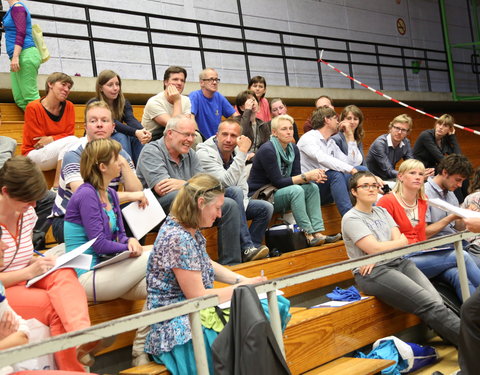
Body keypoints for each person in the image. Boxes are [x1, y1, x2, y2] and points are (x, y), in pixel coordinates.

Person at [144, 173, 267, 374]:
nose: (220, 214)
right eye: (217, 208)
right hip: (176, 326)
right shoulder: (178, 238)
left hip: (193, 314)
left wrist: (241, 279)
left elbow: (205, 263)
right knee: (257, 312)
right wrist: (244, 287)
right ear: (201, 203)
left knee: (264, 308)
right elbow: (198, 297)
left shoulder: (186, 228)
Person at [0, 156, 104, 371]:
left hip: (24, 276)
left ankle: (82, 333)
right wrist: (28, 271)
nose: (34, 205)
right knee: (52, 306)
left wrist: (40, 262)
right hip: (5, 289)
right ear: (5, 192)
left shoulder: (27, 212)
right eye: (28, 199)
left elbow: (21, 253)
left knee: (65, 271)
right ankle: (72, 368)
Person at [341, 170, 460, 347]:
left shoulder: (381, 211)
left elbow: (402, 241)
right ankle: (472, 344)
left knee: (437, 302)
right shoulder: (351, 218)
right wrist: (380, 250)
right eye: (365, 186)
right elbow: (375, 247)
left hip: (399, 262)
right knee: (429, 304)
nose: (371, 189)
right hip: (373, 272)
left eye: (374, 185)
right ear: (354, 191)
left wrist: (379, 251)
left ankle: (464, 346)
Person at [136, 115, 266, 265]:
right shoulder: (152, 150)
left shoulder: (190, 153)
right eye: (186, 134)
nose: (191, 140)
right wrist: (190, 185)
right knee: (179, 195)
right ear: (170, 133)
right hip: (155, 210)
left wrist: (183, 184)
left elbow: (206, 184)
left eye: (193, 135)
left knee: (229, 202)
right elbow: (164, 189)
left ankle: (232, 263)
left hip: (191, 200)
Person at [377, 159, 480, 301]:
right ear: (400, 176)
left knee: (457, 274)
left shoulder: (422, 200)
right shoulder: (386, 201)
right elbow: (381, 237)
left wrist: (463, 217)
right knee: (462, 256)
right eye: (413, 173)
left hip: (423, 251)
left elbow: (420, 236)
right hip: (401, 257)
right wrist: (450, 218)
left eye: (421, 173)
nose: (418, 177)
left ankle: (472, 318)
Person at [50, 101, 146, 244]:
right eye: (93, 121)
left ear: (113, 127)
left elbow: (137, 190)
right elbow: (87, 199)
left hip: (105, 213)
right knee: (97, 222)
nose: (99, 125)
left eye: (105, 120)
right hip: (70, 219)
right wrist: (131, 195)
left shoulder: (121, 154)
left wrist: (123, 162)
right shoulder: (74, 154)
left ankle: (132, 257)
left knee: (138, 209)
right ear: (86, 127)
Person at [248, 114, 341, 246]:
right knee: (296, 190)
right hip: (262, 195)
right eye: (284, 129)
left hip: (281, 192)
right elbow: (278, 182)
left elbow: (296, 176)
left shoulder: (293, 149)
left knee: (312, 187)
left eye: (290, 128)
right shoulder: (267, 150)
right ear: (274, 132)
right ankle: (307, 234)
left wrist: (312, 177)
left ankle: (318, 233)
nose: (289, 132)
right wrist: (306, 176)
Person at [196, 119, 273, 256]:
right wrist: (243, 152)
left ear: (239, 139)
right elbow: (227, 183)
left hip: (234, 201)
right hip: (209, 203)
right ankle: (246, 247)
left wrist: (240, 209)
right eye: (224, 134)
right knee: (234, 190)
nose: (228, 139)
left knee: (265, 208)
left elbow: (243, 186)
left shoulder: (238, 152)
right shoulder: (204, 153)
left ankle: (251, 251)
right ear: (217, 135)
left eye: (233, 136)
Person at [297, 106, 365, 216]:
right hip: (311, 186)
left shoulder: (330, 142)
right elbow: (322, 158)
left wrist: (350, 136)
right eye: (335, 118)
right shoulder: (308, 138)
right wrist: (351, 169)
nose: (338, 122)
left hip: (327, 185)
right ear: (327, 120)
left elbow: (353, 163)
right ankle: (349, 217)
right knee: (335, 174)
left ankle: (371, 210)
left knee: (361, 170)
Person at [22, 72, 79, 189]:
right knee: (72, 142)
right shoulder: (33, 107)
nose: (66, 89)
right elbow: (37, 142)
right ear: (50, 84)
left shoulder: (69, 106)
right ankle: (57, 186)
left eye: (69, 87)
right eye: (63, 84)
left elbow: (69, 133)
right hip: (33, 155)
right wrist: (59, 137)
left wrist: (51, 138)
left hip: (58, 155)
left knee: (77, 143)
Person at [91, 70, 151, 165]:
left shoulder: (123, 102)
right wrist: (136, 132)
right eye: (110, 85)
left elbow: (131, 119)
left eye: (117, 84)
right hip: (98, 138)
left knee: (136, 138)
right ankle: (125, 172)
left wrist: (143, 131)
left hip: (116, 135)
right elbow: (112, 123)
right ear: (101, 88)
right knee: (122, 136)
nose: (115, 88)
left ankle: (142, 173)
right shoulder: (95, 103)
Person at [413, 114, 466, 202]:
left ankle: (464, 201)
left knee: (461, 173)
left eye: (445, 126)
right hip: (419, 168)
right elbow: (441, 158)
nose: (440, 127)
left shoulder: (445, 139)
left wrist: (452, 137)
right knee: (453, 173)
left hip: (433, 169)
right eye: (439, 124)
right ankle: (460, 202)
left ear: (450, 129)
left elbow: (458, 157)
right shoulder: (426, 135)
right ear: (435, 124)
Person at [366, 114, 433, 184]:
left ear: (407, 132)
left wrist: (422, 172)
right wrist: (413, 175)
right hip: (373, 179)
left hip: (390, 178)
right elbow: (388, 170)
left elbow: (411, 163)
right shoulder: (380, 144)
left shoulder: (406, 142)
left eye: (403, 130)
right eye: (397, 128)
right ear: (390, 128)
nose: (399, 132)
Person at [3, 0, 41, 110]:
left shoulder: (18, 7)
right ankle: (35, 125)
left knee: (30, 97)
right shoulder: (12, 9)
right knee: (20, 99)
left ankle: (46, 126)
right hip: (18, 56)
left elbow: (21, 32)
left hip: (25, 54)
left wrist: (15, 57)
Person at [141, 66, 193, 142]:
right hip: (153, 140)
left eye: (182, 80)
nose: (179, 83)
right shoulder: (154, 102)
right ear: (165, 82)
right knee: (176, 136)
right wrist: (177, 101)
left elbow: (186, 126)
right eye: (175, 79)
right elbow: (175, 127)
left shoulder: (186, 100)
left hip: (176, 137)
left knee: (195, 136)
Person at [189, 68, 235, 139]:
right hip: (200, 141)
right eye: (211, 79)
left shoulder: (219, 96)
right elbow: (190, 119)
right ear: (202, 83)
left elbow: (235, 116)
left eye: (216, 80)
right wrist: (198, 138)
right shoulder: (195, 96)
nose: (214, 82)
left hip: (216, 142)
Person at [233, 90, 270, 156]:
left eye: (253, 100)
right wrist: (247, 110)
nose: (252, 103)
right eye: (248, 102)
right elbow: (241, 135)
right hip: (241, 156)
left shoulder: (263, 124)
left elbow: (266, 146)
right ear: (241, 107)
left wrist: (256, 154)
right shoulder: (235, 122)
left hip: (258, 157)